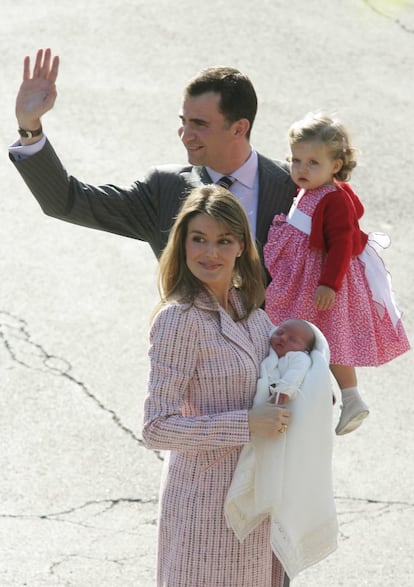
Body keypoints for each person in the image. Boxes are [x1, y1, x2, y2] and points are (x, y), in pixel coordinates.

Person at [9, 48, 296, 264]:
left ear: (239, 128)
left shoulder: (296, 187)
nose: (184, 134)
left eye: (199, 124)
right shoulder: (164, 189)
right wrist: (29, 128)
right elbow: (66, 202)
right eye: (184, 121)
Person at [142, 184, 292, 586]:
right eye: (199, 240)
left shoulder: (252, 312)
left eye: (223, 241)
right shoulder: (179, 319)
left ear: (241, 245)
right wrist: (247, 423)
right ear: (182, 243)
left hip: (256, 501)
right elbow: (157, 427)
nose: (210, 253)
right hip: (205, 504)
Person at [263, 112, 410, 436]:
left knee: (330, 337)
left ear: (336, 165)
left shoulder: (334, 199)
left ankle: (350, 396)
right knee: (299, 333)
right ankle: (313, 390)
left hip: (323, 280)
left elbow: (342, 244)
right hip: (305, 276)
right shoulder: (311, 188)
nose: (301, 169)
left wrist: (329, 283)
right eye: (296, 160)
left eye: (313, 162)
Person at [224, 319, 337, 581]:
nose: (284, 339)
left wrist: (283, 394)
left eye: (293, 339)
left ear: (306, 350)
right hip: (263, 417)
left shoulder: (299, 359)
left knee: (279, 463)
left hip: (279, 412)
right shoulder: (271, 354)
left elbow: (296, 378)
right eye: (281, 332)